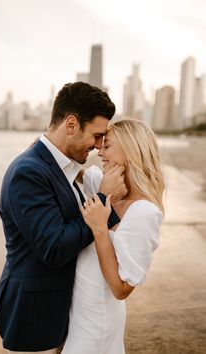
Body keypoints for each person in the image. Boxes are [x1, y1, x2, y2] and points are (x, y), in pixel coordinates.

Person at [0, 82, 128, 353]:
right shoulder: (28, 173)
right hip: (34, 317)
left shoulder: (65, 167)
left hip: (63, 316)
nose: (98, 146)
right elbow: (53, 248)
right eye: (97, 135)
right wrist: (102, 201)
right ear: (71, 124)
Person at [61, 118, 165, 354]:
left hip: (97, 328)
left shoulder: (143, 212)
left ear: (130, 151)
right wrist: (42, 149)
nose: (101, 153)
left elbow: (121, 289)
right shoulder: (104, 186)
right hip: (77, 320)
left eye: (107, 146)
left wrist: (99, 228)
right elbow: (70, 169)